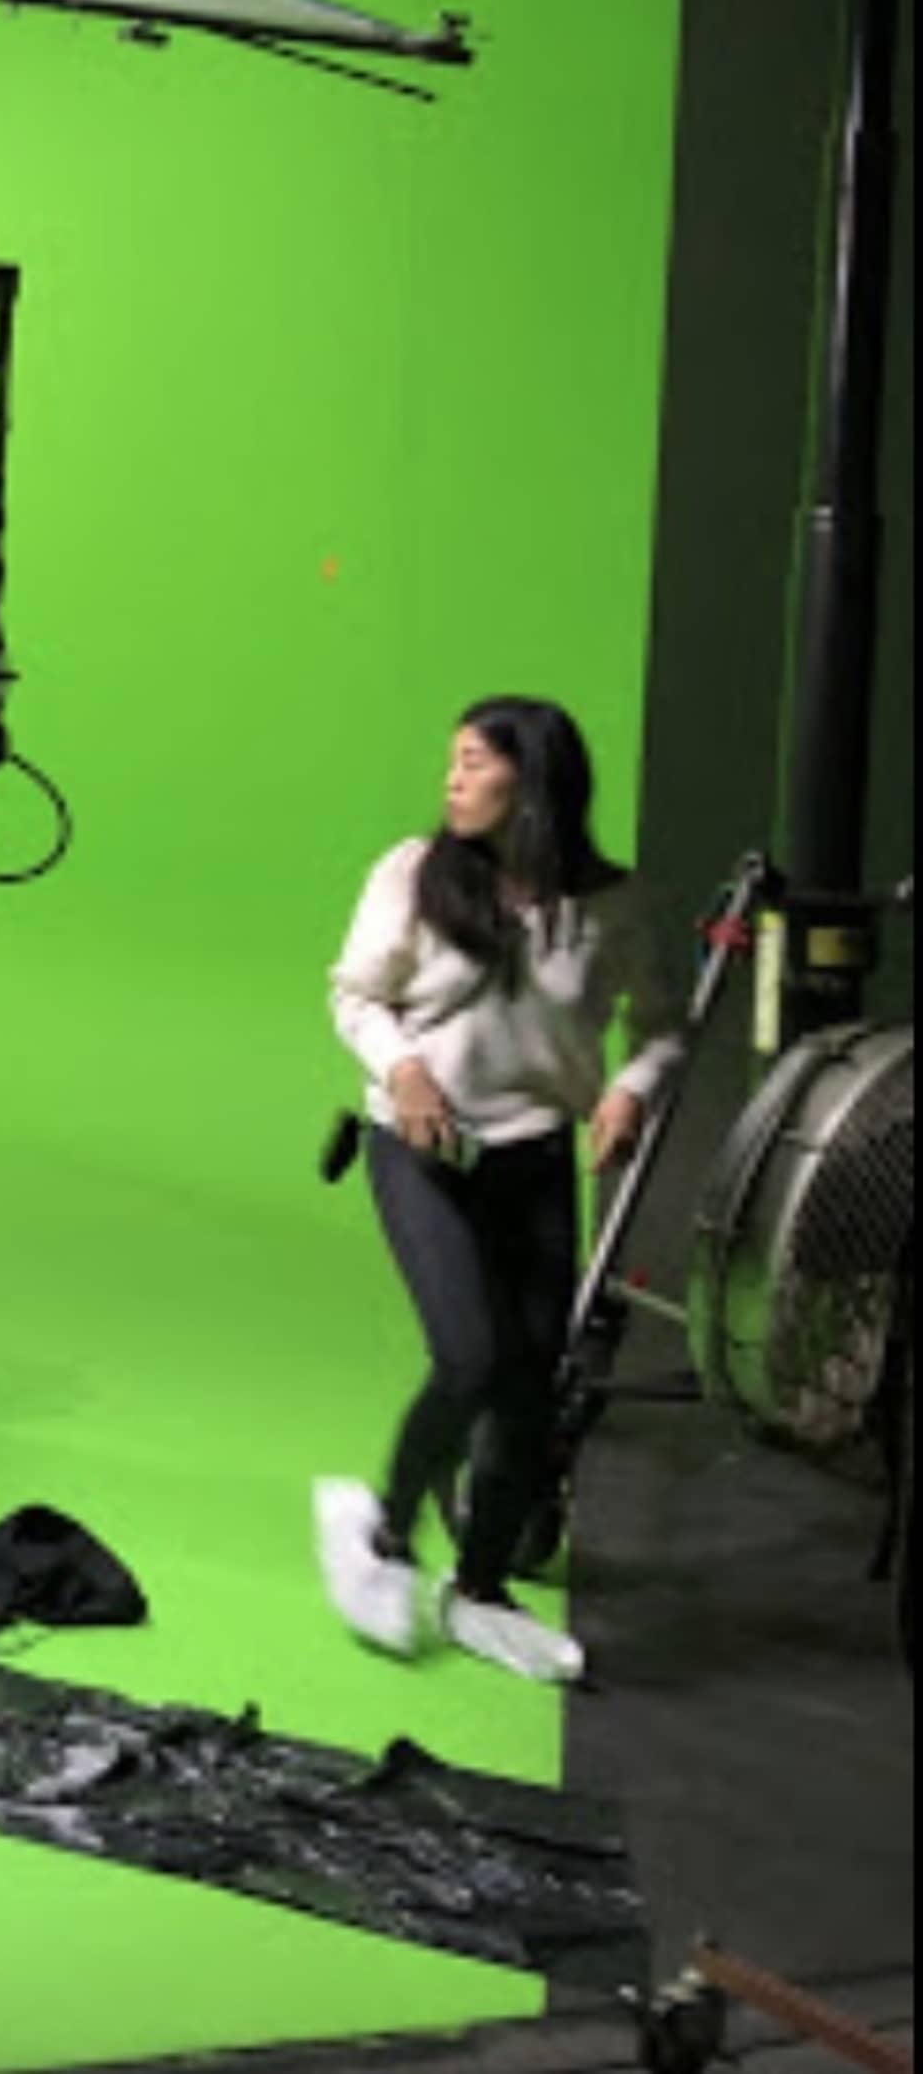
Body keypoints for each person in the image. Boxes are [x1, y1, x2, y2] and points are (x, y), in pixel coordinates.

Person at [314, 695, 688, 1685]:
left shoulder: (615, 905)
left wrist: (629, 1089)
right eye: (453, 761)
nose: (454, 780)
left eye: (475, 763)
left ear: (534, 781)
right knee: (470, 1356)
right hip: (420, 1145)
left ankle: (478, 1589)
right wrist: (401, 1068)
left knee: (532, 1384)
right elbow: (355, 991)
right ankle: (384, 1536)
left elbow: (662, 1025)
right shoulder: (413, 873)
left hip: (533, 1158)